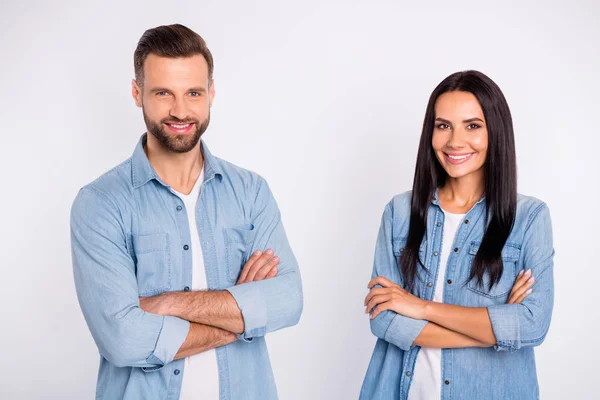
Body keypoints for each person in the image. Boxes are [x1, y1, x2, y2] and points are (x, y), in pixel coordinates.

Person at [70, 24, 302, 400]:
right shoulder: (100, 204)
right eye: (163, 93)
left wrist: (167, 304)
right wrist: (242, 314)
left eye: (193, 93)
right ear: (137, 93)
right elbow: (124, 339)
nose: (181, 110)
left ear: (211, 93)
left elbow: (288, 300)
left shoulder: (250, 192)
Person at [360, 70, 554, 400]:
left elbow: (532, 325)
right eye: (443, 125)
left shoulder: (529, 218)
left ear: (495, 132)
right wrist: (493, 330)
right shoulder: (399, 212)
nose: (454, 141)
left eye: (472, 125)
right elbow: (385, 321)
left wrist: (420, 307)